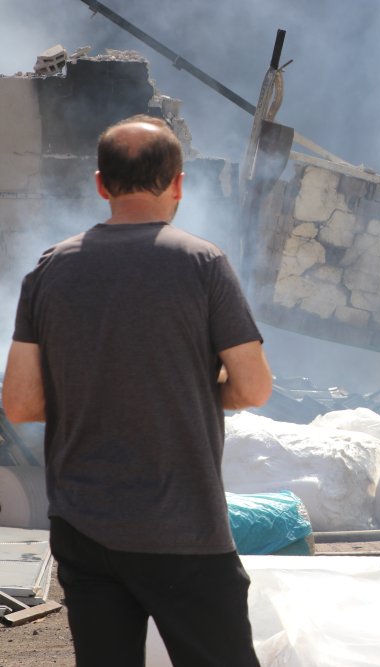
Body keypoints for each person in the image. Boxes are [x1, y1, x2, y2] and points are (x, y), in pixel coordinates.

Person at [2, 115, 272, 666]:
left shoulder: (49, 271)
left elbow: (20, 403)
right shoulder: (203, 264)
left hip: (82, 530)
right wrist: (188, 389)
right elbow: (254, 387)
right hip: (184, 530)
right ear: (177, 182)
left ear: (101, 184)